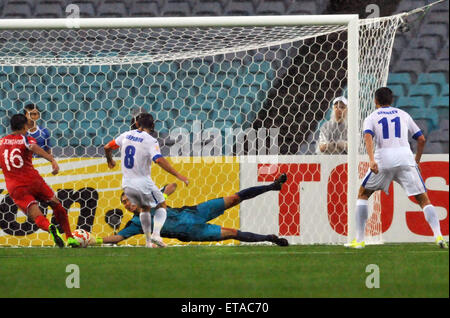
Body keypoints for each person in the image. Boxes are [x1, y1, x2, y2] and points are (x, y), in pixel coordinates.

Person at [347, 87, 447, 249]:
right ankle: (439, 236)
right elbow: (421, 139)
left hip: (383, 161)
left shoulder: (371, 117)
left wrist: (371, 160)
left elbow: (367, 136)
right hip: (405, 159)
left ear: (375, 101)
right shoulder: (403, 115)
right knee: (423, 199)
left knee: (363, 194)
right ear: (391, 101)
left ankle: (359, 240)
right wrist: (417, 161)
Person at [92, 174, 289, 247]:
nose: (127, 204)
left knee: (235, 198)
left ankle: (272, 186)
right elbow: (118, 238)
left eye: (128, 199)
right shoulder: (136, 223)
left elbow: (172, 186)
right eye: (124, 203)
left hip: (195, 212)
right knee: (233, 233)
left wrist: (161, 200)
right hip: (192, 232)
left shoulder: (151, 200)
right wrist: (95, 240)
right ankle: (270, 238)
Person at [104, 113, 189, 248]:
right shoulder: (150, 140)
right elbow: (159, 160)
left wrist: (110, 160)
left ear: (137, 124)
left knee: (144, 208)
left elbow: (107, 147)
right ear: (153, 126)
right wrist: (179, 175)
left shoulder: (125, 135)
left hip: (126, 183)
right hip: (143, 181)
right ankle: (156, 235)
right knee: (162, 205)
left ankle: (149, 241)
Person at [0, 114, 79, 248]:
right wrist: (51, 159)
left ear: (11, 127)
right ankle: (70, 237)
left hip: (15, 186)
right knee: (56, 205)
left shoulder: (1, 142)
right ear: (25, 126)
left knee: (36, 216)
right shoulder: (26, 138)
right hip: (33, 180)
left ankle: (50, 228)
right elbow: (32, 147)